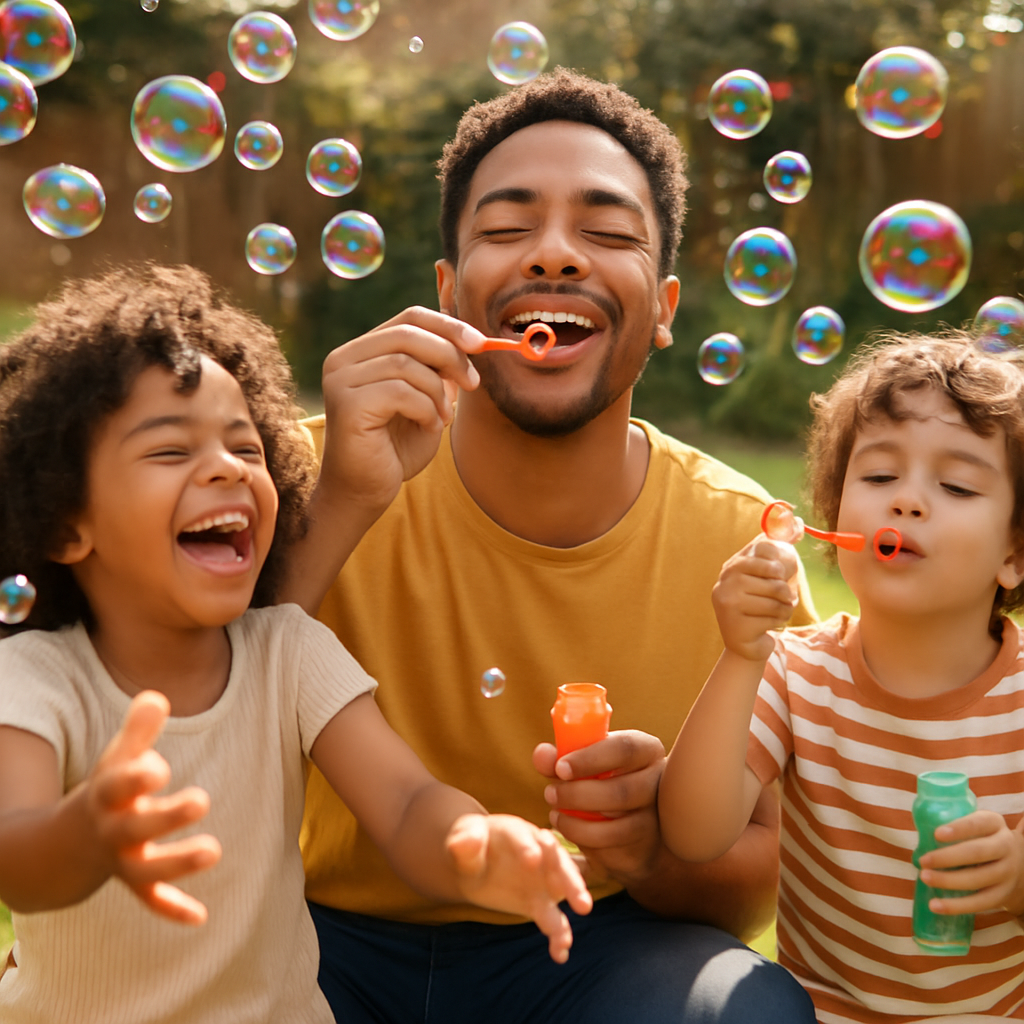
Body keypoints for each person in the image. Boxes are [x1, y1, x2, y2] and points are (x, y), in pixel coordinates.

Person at [284, 69, 817, 1023]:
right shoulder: (299, 478)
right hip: (311, 939)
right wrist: (342, 503)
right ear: (451, 293)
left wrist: (654, 847)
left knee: (746, 1011)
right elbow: (162, 704)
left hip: (598, 954)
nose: (557, 257)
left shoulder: (744, 544)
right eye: (506, 228)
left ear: (661, 307)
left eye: (607, 232)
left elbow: (756, 893)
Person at [0, 264, 593, 1024]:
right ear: (62, 521)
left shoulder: (287, 653)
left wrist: (476, 844)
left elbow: (408, 805)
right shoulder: (38, 678)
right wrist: (84, 835)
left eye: (246, 450)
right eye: (170, 452)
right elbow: (16, 854)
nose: (224, 468)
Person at [659, 331, 1024, 1022]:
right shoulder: (796, 672)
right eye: (880, 476)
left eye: (955, 485)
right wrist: (741, 655)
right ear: (834, 517)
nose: (907, 501)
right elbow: (693, 833)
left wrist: (1016, 876)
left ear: (1015, 554)